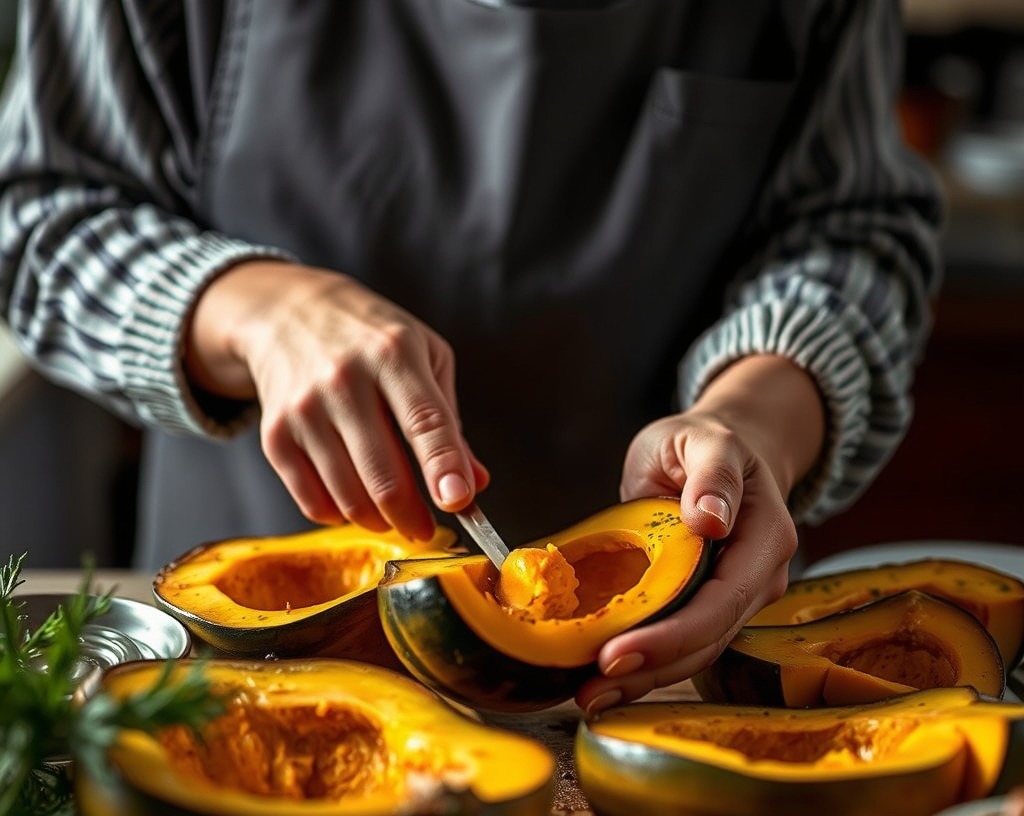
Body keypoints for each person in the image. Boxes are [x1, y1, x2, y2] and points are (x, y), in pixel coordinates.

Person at [0, 0, 942, 715]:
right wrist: (251, 310)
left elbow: (849, 228)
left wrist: (755, 420)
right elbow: (38, 211)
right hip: (243, 669)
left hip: (668, 671)